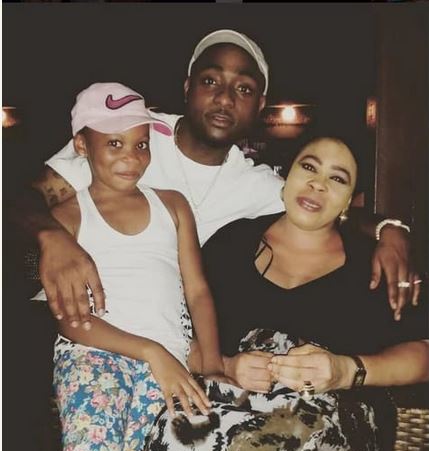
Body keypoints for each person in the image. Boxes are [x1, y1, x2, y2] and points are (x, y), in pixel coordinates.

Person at [12, 29, 420, 349]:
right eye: (211, 81)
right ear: (188, 87)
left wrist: (390, 230)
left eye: (243, 88)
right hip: (72, 325)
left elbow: (324, 204)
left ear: (260, 104)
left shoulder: (258, 185)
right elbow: (19, 199)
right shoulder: (132, 136)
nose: (225, 98)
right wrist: (52, 238)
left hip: (170, 338)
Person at [133, 131, 428, 451]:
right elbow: (176, 333)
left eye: (337, 178)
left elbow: (422, 354)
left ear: (349, 200)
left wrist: (345, 370)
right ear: (286, 175)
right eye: (309, 167)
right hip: (222, 405)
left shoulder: (375, 263)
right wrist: (227, 364)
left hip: (328, 419)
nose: (318, 184)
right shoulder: (231, 242)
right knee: (180, 443)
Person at [44, 82, 223, 451]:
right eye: (115, 143)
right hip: (94, 354)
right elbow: (70, 318)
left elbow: (198, 290)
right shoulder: (67, 216)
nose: (132, 156)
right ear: (81, 146)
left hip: (171, 361)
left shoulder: (173, 206)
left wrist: (214, 364)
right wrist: (150, 351)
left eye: (141, 144)